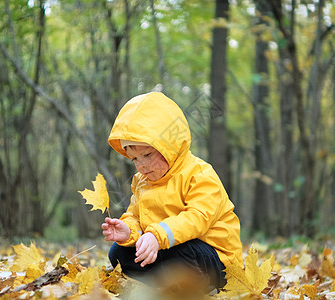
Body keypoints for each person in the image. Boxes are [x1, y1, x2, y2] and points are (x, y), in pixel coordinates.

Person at [101, 92, 242, 292]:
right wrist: (129, 231)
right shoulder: (142, 182)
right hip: (166, 246)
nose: (141, 165)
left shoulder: (200, 174)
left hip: (215, 258)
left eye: (147, 155)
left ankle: (202, 285)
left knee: (183, 250)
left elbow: (198, 218)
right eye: (134, 159)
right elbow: (135, 215)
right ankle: (167, 283)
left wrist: (157, 236)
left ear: (170, 146)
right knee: (118, 253)